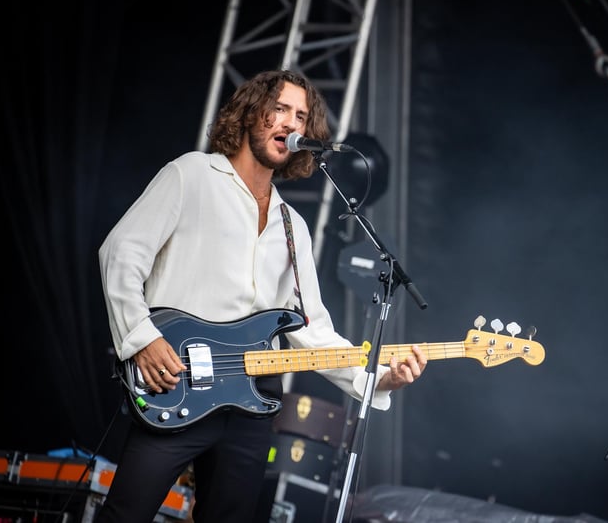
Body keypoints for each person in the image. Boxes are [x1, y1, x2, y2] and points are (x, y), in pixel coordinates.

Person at [94, 69, 427, 522]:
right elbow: (120, 254)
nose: (291, 124)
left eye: (302, 116)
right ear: (252, 113)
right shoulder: (192, 175)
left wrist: (379, 379)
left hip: (250, 407)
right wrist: (142, 337)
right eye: (280, 109)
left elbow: (314, 334)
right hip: (174, 382)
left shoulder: (293, 226)